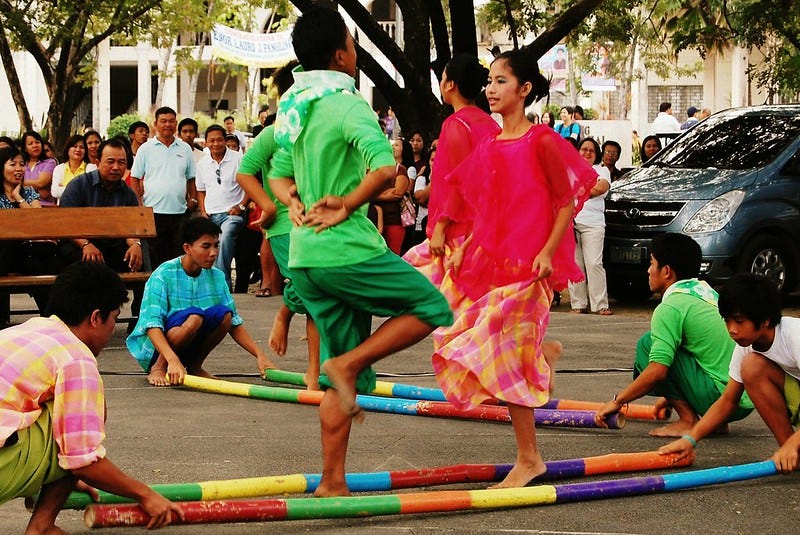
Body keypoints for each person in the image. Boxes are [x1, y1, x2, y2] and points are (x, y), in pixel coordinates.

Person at [268, 6, 453, 496]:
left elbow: (277, 172)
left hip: (306, 258)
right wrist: (347, 202)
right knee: (433, 305)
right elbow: (385, 169)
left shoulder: (298, 106)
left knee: (337, 381)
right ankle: (347, 367)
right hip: (345, 251)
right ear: (340, 55)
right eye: (353, 43)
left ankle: (332, 481)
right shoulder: (347, 105)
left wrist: (292, 199)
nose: (356, 53)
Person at [433, 50, 596, 488]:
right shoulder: (489, 143)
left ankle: (530, 458)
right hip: (497, 266)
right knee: (486, 345)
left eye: (501, 81)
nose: (491, 88)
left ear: (524, 90)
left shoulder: (540, 139)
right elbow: (486, 208)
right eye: (489, 80)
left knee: (503, 355)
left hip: (531, 271)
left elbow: (566, 200)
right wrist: (464, 245)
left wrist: (547, 250)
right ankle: (542, 357)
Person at [0, 261, 183, 533]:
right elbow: (83, 458)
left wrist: (61, 473)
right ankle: (41, 527)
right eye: (113, 318)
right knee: (80, 421)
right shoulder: (77, 357)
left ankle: (43, 523)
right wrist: (145, 494)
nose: (112, 330)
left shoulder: (25, 330)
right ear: (96, 317)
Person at [594, 233, 754, 436]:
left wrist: (618, 401)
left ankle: (688, 420)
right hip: (742, 399)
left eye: (652, 264)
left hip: (719, 396)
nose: (649, 270)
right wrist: (672, 395)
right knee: (673, 345)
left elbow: (658, 371)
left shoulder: (671, 306)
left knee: (648, 344)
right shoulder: (707, 292)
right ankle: (716, 422)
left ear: (667, 271)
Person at [658, 274, 799, 473]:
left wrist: (796, 442)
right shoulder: (746, 347)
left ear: (765, 321)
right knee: (752, 367)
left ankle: (792, 447)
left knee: (752, 366)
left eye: (739, 321)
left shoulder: (794, 336)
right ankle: (790, 452)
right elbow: (727, 401)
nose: (731, 330)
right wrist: (690, 439)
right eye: (727, 321)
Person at [126, 217, 274, 386]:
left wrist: (260, 355)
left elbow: (234, 322)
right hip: (158, 349)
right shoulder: (163, 274)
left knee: (225, 314)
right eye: (206, 246)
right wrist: (171, 360)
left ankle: (195, 366)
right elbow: (152, 324)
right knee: (194, 316)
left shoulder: (217, 276)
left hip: (188, 343)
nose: (214, 253)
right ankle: (159, 368)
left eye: (216, 245)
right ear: (187, 248)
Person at [403, 53, 500, 289]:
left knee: (427, 298)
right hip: (482, 228)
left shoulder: (456, 124)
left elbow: (458, 183)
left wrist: (440, 228)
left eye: (443, 77)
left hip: (457, 231)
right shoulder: (491, 125)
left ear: (450, 84)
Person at [57, 138, 146, 323]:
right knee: (80, 260)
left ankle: (140, 318)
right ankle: (84, 318)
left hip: (112, 246)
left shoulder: (127, 193)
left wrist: (136, 244)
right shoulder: (79, 185)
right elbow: (66, 223)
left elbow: (131, 227)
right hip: (80, 244)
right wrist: (86, 244)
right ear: (98, 161)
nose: (116, 167)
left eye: (121, 162)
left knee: (145, 256)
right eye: (110, 161)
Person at [130, 106, 198, 268]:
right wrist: (139, 204)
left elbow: (191, 179)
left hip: (179, 212)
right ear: (155, 124)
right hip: (152, 212)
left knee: (176, 258)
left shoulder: (185, 149)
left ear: (176, 124)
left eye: (171, 121)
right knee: (154, 258)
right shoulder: (145, 149)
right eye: (163, 121)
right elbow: (135, 177)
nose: (167, 124)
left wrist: (193, 199)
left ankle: (174, 292)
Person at [196, 124, 247, 290]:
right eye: (212, 140)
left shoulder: (238, 159)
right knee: (200, 243)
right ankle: (206, 284)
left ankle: (221, 284)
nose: (216, 143)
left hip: (232, 214)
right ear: (206, 142)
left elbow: (250, 186)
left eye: (219, 140)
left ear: (225, 140)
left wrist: (241, 206)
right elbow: (201, 191)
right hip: (210, 215)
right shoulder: (203, 163)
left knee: (224, 238)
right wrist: (203, 211)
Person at [569, 137, 612, 315]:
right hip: (571, 223)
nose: (587, 153)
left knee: (594, 263)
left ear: (597, 154)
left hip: (593, 224)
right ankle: (578, 304)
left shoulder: (601, 170)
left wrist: (578, 190)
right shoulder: (570, 170)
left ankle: (600, 304)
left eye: (591, 150)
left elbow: (601, 188)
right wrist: (587, 189)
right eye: (584, 149)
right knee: (575, 265)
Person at [370, 139, 409, 254]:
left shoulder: (399, 169)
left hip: (393, 221)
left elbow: (397, 193)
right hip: (372, 220)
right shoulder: (370, 169)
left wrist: (372, 195)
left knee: (393, 254)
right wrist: (385, 193)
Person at [51, 134, 97, 203]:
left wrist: (64, 188)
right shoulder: (59, 169)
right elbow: (55, 192)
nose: (78, 150)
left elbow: (91, 192)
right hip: (63, 209)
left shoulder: (91, 168)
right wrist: (80, 189)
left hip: (85, 209)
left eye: (82, 147)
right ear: (68, 149)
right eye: (75, 146)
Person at [21, 131, 57, 206]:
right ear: (25, 149)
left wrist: (20, 184)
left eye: (37, 142)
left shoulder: (50, 162)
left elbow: (41, 183)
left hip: (46, 206)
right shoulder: (21, 164)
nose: (35, 145)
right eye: (30, 144)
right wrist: (37, 188)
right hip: (23, 206)